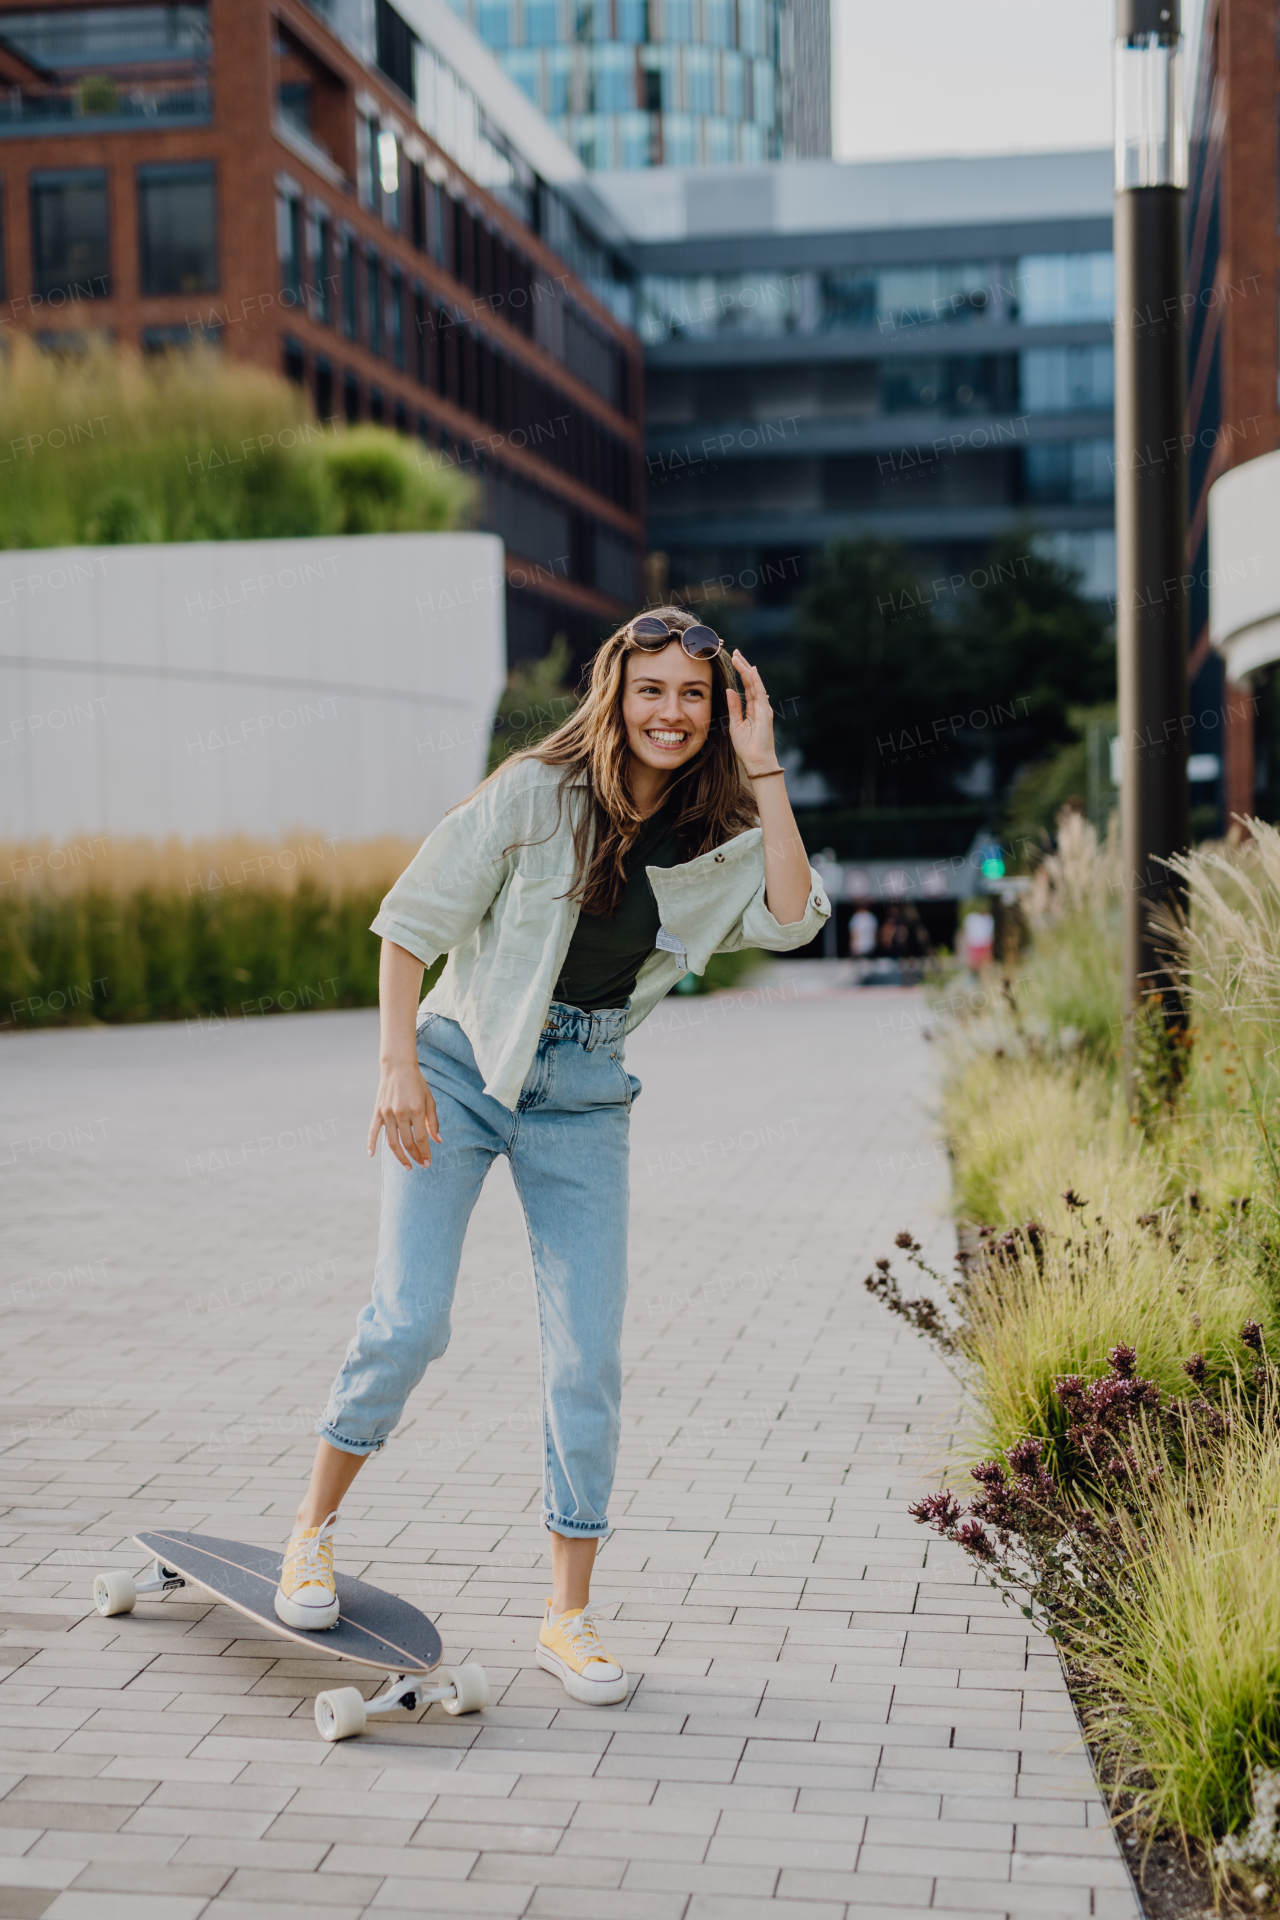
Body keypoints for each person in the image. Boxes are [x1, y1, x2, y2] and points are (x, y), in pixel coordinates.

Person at [273, 607, 830, 1705]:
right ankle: (309, 1532)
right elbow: (407, 923)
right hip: (459, 1066)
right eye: (651, 689)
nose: (669, 714)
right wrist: (395, 1068)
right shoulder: (533, 793)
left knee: (585, 1358)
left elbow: (794, 916)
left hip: (582, 1095)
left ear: (717, 711)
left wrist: (764, 772)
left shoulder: (716, 831)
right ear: (615, 693)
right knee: (409, 1319)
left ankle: (566, 1617)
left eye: (693, 696)